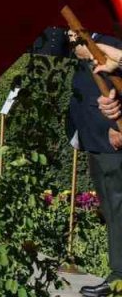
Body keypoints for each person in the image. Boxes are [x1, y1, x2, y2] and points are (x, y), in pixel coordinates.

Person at [71, 32, 122, 297]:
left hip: (113, 136)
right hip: (96, 134)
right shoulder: (93, 29)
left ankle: (119, 277)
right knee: (112, 208)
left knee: (118, 205)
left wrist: (117, 124)